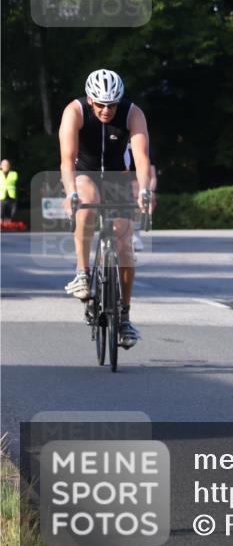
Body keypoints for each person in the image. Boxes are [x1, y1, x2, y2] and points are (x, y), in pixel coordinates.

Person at [59, 69, 153, 349]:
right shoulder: (74, 111)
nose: (106, 110)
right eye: (100, 104)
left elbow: (142, 157)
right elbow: (67, 159)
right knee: (85, 208)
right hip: (84, 173)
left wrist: (145, 190)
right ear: (90, 99)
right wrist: (70, 193)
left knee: (124, 243)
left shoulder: (132, 113)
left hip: (117, 176)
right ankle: (83, 273)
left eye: (111, 104)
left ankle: (124, 315)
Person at [1, 159, 17, 224]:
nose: (6, 166)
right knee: (1, 214)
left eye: (7, 165)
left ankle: (8, 226)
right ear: (1, 166)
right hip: (1, 197)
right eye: (4, 165)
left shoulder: (14, 174)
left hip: (11, 196)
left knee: (10, 214)